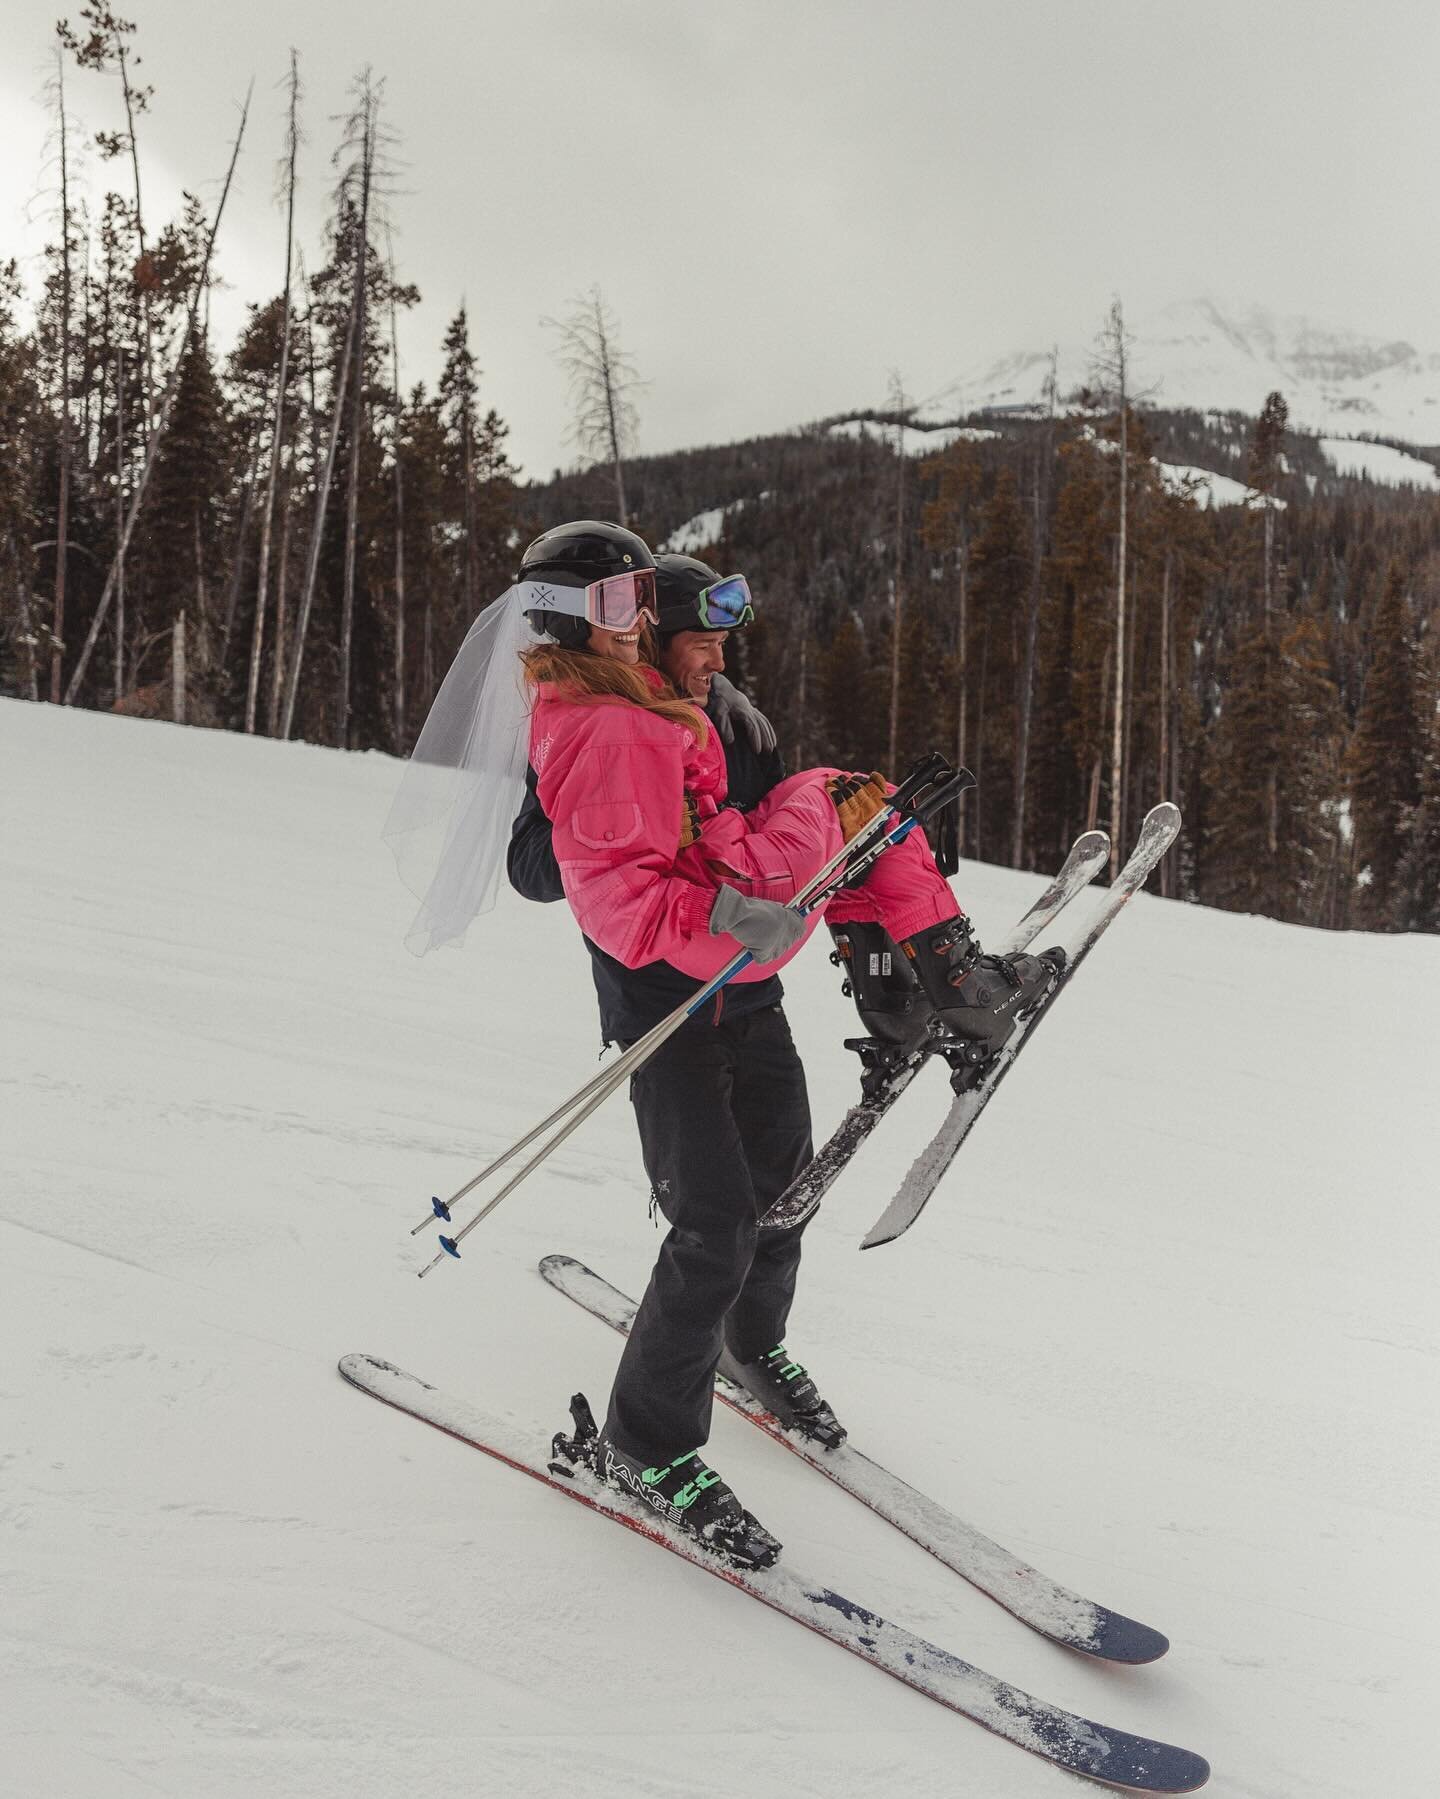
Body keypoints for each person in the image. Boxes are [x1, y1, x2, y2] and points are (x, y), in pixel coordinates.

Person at [501, 521, 1062, 1569]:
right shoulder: (602, 724)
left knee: (780, 1188)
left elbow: (784, 855)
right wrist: (690, 870)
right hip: (659, 1006)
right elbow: (569, 872)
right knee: (711, 1222)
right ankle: (644, 1441)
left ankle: (749, 1343)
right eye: (677, 629)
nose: (717, 655)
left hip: (744, 991)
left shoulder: (720, 723)